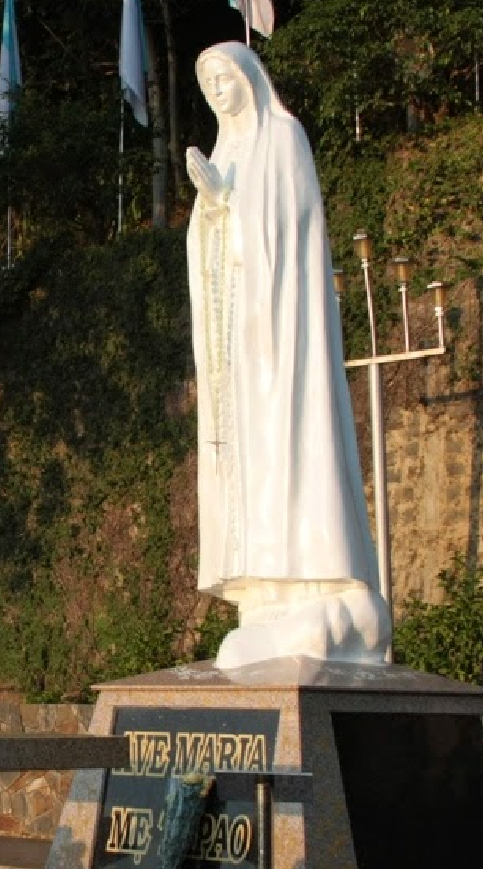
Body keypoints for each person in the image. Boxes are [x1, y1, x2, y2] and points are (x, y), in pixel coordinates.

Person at [185, 41, 389, 670]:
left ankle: (317, 579)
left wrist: (232, 209)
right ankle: (265, 593)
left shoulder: (284, 138)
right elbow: (207, 246)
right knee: (250, 460)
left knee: (293, 445)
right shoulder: (225, 151)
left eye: (225, 79)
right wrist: (211, 209)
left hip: (282, 328)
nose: (219, 93)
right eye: (209, 86)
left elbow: (295, 224)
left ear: (250, 79)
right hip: (237, 344)